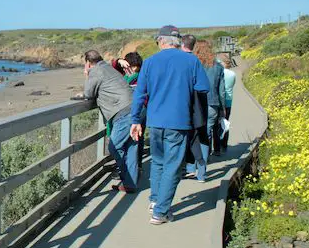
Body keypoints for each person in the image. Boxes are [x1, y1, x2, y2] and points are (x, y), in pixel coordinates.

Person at [130, 25, 210, 224]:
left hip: (155, 122)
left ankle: (154, 200)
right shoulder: (191, 60)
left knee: (158, 162)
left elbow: (140, 94)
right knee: (172, 166)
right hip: (179, 121)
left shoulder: (149, 62)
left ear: (161, 40)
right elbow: (203, 87)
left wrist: (135, 121)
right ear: (178, 41)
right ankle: (161, 212)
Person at [78, 50, 138, 192]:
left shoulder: (96, 71)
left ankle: (128, 180)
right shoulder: (107, 67)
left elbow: (88, 94)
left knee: (114, 147)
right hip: (134, 107)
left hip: (123, 111)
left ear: (87, 62)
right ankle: (130, 184)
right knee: (130, 147)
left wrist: (87, 74)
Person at [186, 41, 226, 181]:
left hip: (195, 104)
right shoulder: (218, 67)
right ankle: (202, 170)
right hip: (213, 104)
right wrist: (222, 109)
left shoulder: (192, 65)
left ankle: (191, 168)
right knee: (205, 135)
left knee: (192, 135)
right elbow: (222, 91)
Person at [112, 52, 146, 171]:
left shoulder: (141, 77)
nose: (132, 70)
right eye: (130, 67)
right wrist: (118, 61)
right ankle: (133, 169)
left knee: (135, 141)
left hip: (138, 111)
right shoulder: (123, 75)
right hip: (132, 111)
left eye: (135, 67)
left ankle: (131, 169)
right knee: (133, 141)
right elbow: (112, 69)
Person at [219, 54, 236, 153]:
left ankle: (216, 145)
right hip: (228, 100)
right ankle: (224, 145)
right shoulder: (232, 74)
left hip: (220, 100)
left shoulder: (219, 72)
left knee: (217, 124)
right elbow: (232, 85)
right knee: (225, 122)